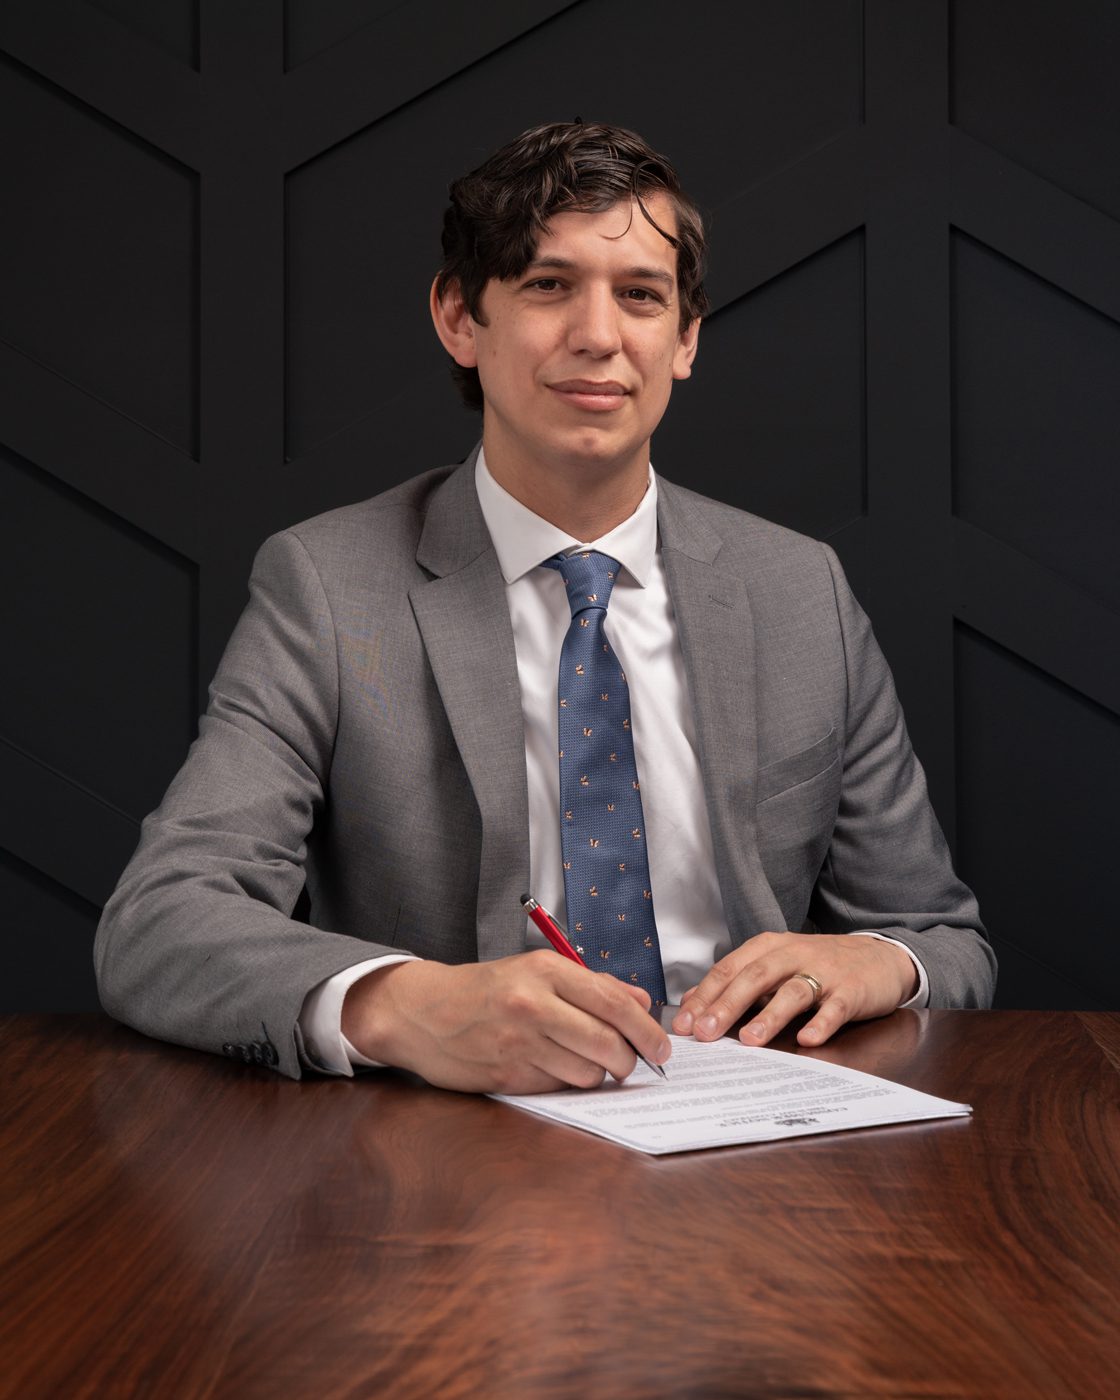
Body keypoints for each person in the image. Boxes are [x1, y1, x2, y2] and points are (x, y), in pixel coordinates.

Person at [94, 121, 995, 1091]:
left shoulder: (798, 590)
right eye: (547, 285)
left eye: (641, 297)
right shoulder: (329, 586)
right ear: (458, 318)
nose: (598, 336)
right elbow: (160, 920)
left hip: (753, 1132)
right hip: (446, 1147)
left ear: (684, 339)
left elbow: (943, 939)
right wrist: (401, 1002)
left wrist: (881, 961)